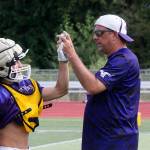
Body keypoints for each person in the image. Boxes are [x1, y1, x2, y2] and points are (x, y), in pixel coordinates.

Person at [59, 14, 140, 150]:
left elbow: (93, 86)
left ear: (114, 34)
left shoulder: (124, 60)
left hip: (114, 141)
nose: (94, 37)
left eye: (99, 33)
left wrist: (71, 53)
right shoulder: (118, 60)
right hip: (106, 139)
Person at [0, 37, 69, 150]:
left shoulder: (25, 85)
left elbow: (60, 90)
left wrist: (63, 60)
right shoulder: (2, 94)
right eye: (15, 61)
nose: (20, 65)